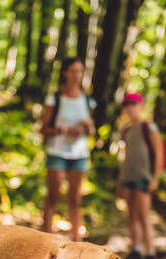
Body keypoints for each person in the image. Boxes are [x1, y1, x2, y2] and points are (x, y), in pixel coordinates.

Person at [40, 57, 96, 241]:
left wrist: (86, 126)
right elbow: (44, 129)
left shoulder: (87, 101)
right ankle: (46, 241)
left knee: (75, 200)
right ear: (65, 73)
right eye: (73, 71)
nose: (76, 75)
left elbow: (92, 130)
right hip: (57, 152)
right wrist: (64, 130)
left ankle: (77, 242)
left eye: (80, 71)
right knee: (53, 197)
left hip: (79, 154)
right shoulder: (54, 98)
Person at [118, 92, 164, 259]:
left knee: (144, 215)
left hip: (143, 177)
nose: (130, 108)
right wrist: (120, 180)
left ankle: (150, 252)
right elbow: (125, 156)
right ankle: (135, 249)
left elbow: (158, 152)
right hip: (128, 176)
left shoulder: (148, 127)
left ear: (141, 106)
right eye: (127, 105)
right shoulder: (126, 130)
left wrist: (155, 177)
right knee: (131, 215)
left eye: (133, 104)